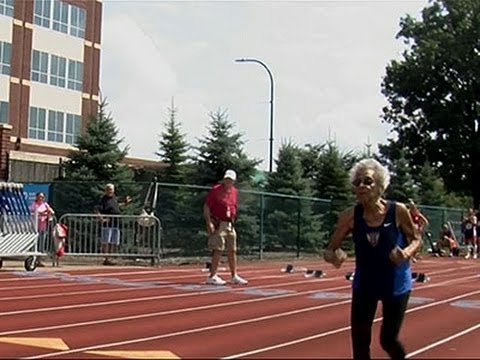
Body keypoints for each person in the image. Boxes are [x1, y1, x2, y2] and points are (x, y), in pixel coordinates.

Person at [323, 158, 422, 360]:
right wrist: (334, 257)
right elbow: (330, 249)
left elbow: (416, 239)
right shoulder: (350, 216)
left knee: (388, 340)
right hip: (365, 284)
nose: (361, 186)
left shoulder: (398, 211)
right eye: (357, 182)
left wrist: (405, 253)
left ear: (380, 186)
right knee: (360, 344)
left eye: (367, 181)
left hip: (395, 284)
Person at [203, 169, 248, 285]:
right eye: (226, 179)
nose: (228, 182)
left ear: (233, 181)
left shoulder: (234, 192)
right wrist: (209, 222)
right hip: (219, 223)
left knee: (232, 250)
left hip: (230, 224)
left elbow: (233, 206)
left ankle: (234, 275)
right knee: (218, 249)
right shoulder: (215, 190)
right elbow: (207, 207)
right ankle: (212, 275)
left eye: (230, 180)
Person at [94, 183, 131, 266]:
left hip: (116, 224)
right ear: (106, 190)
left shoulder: (114, 198)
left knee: (115, 242)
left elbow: (117, 206)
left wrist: (125, 203)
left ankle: (111, 258)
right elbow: (97, 210)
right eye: (108, 189)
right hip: (108, 224)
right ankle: (106, 259)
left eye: (111, 189)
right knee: (106, 242)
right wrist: (101, 219)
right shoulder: (103, 199)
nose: (110, 191)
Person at [30, 192, 55, 266]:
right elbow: (33, 212)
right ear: (37, 197)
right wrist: (42, 213)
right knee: (34, 244)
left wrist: (48, 212)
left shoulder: (45, 205)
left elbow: (52, 212)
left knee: (41, 244)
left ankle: (39, 260)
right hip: (35, 227)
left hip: (43, 227)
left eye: (42, 197)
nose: (41, 198)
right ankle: (32, 260)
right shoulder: (34, 204)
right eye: (39, 197)